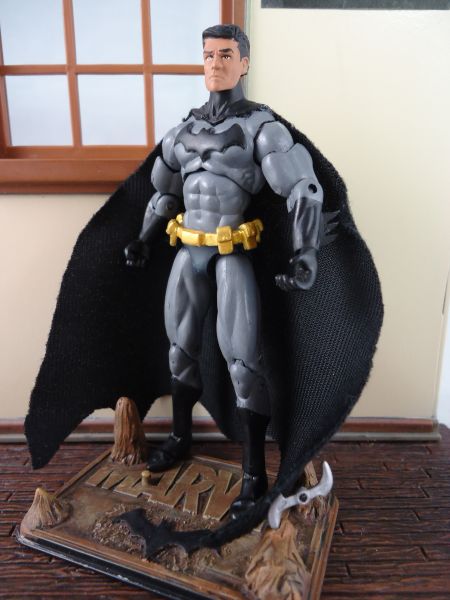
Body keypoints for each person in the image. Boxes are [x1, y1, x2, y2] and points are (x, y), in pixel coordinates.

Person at [125, 24, 324, 519]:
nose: (216, 63)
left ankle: (254, 473)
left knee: (242, 362)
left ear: (244, 63)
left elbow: (303, 188)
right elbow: (163, 193)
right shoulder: (181, 131)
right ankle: (180, 437)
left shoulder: (262, 128)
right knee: (179, 350)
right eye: (209, 55)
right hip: (187, 249)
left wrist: (306, 251)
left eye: (226, 55)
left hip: (232, 252)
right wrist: (145, 238)